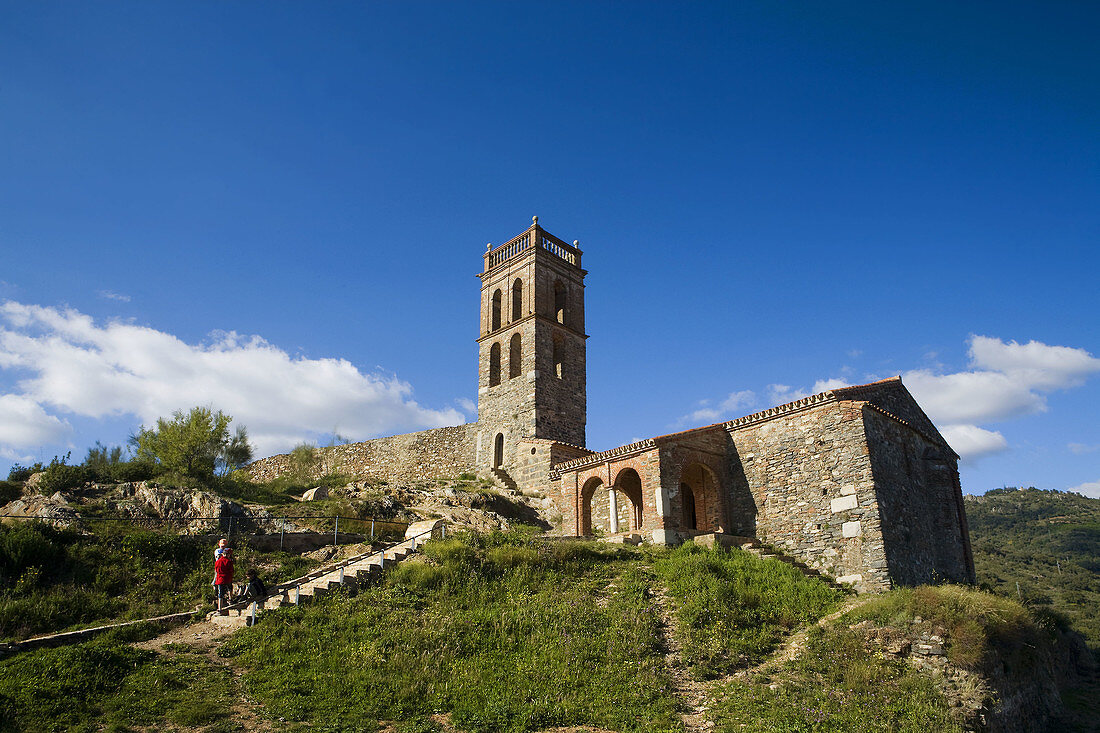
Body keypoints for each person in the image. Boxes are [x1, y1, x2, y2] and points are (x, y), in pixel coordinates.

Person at [213, 547, 235, 614]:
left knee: (220, 594)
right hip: (227, 578)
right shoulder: (229, 561)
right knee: (230, 588)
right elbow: (231, 570)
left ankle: (219, 608)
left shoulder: (217, 561)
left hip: (220, 579)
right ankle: (230, 600)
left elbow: (216, 570)